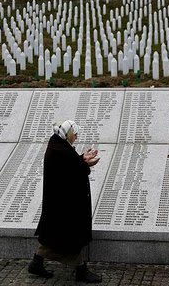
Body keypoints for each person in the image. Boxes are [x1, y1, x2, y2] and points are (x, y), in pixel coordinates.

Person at [29, 119, 102, 283]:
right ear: (68, 134)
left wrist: (82, 158)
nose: (76, 137)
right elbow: (71, 171)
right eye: (75, 135)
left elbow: (70, 165)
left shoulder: (58, 146)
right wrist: (86, 164)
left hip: (59, 204)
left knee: (53, 237)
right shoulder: (60, 150)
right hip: (65, 205)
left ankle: (36, 263)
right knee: (72, 238)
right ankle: (81, 270)